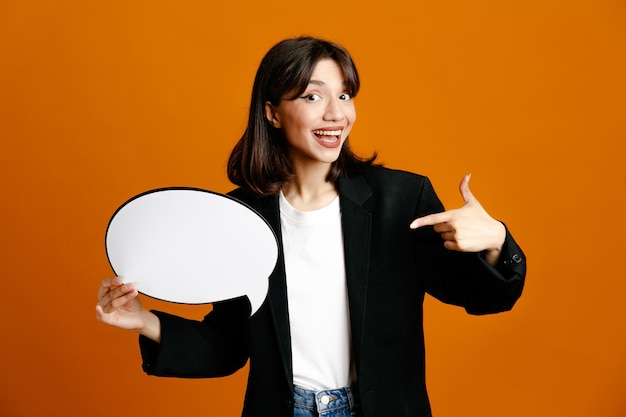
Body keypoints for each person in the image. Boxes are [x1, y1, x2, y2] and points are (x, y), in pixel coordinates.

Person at [96, 36, 526, 417]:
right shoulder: (241, 216)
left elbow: (482, 296)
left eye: (345, 95)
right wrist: (143, 320)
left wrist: (496, 242)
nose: (336, 114)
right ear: (273, 113)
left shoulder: (400, 199)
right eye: (312, 97)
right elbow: (227, 344)